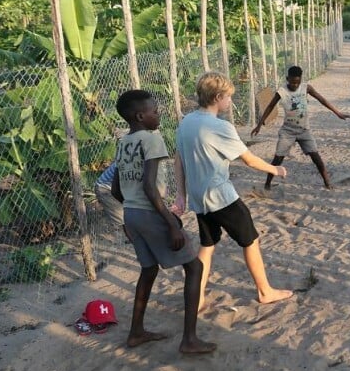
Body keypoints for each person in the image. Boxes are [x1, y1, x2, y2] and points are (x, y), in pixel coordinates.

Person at [174, 71, 294, 312]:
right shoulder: (220, 127)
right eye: (228, 97)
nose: (230, 101)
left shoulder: (186, 122)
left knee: (207, 245)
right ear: (218, 97)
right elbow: (249, 160)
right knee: (250, 240)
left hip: (200, 199)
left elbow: (179, 159)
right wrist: (275, 169)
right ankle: (265, 291)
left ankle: (196, 299)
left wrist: (182, 194)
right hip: (221, 197)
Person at [111, 89, 216, 354]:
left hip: (132, 214)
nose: (159, 115)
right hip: (148, 212)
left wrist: (132, 212)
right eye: (154, 111)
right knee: (193, 267)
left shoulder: (124, 143)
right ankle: (189, 339)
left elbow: (115, 189)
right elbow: (149, 185)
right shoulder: (152, 139)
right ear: (140, 116)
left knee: (149, 270)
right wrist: (170, 222)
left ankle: (136, 332)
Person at [251, 65, 350, 190]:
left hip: (304, 130)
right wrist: (259, 125)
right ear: (287, 78)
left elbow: (322, 99)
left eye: (297, 82)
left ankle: (327, 183)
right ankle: (267, 184)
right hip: (288, 131)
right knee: (278, 158)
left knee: (316, 158)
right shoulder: (282, 91)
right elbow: (270, 106)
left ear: (301, 80)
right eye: (292, 82)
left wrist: (337, 113)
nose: (295, 85)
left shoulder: (306, 88)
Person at [94, 161, 130, 240]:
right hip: (104, 188)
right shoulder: (127, 162)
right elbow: (115, 190)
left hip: (116, 187)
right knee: (126, 219)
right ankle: (138, 244)